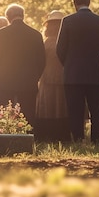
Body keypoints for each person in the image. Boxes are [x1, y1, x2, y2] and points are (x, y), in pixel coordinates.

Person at [56, 0, 99, 144]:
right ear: (90, 1)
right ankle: (98, 140)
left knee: (75, 111)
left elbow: (59, 49)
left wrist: (68, 64)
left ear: (74, 2)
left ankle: (78, 139)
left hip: (73, 75)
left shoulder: (67, 21)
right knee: (96, 111)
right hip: (95, 74)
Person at [0, 4, 45, 126]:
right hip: (28, 81)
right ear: (23, 16)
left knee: (3, 112)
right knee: (27, 113)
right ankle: (28, 136)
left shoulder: (1, 34)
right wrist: (35, 77)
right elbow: (41, 61)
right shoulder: (35, 34)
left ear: (8, 17)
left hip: (5, 81)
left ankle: (4, 136)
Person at [35, 10, 71, 142]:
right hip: (63, 78)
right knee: (61, 106)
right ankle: (62, 135)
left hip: (46, 78)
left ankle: (46, 135)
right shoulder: (67, 42)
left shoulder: (45, 43)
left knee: (47, 106)